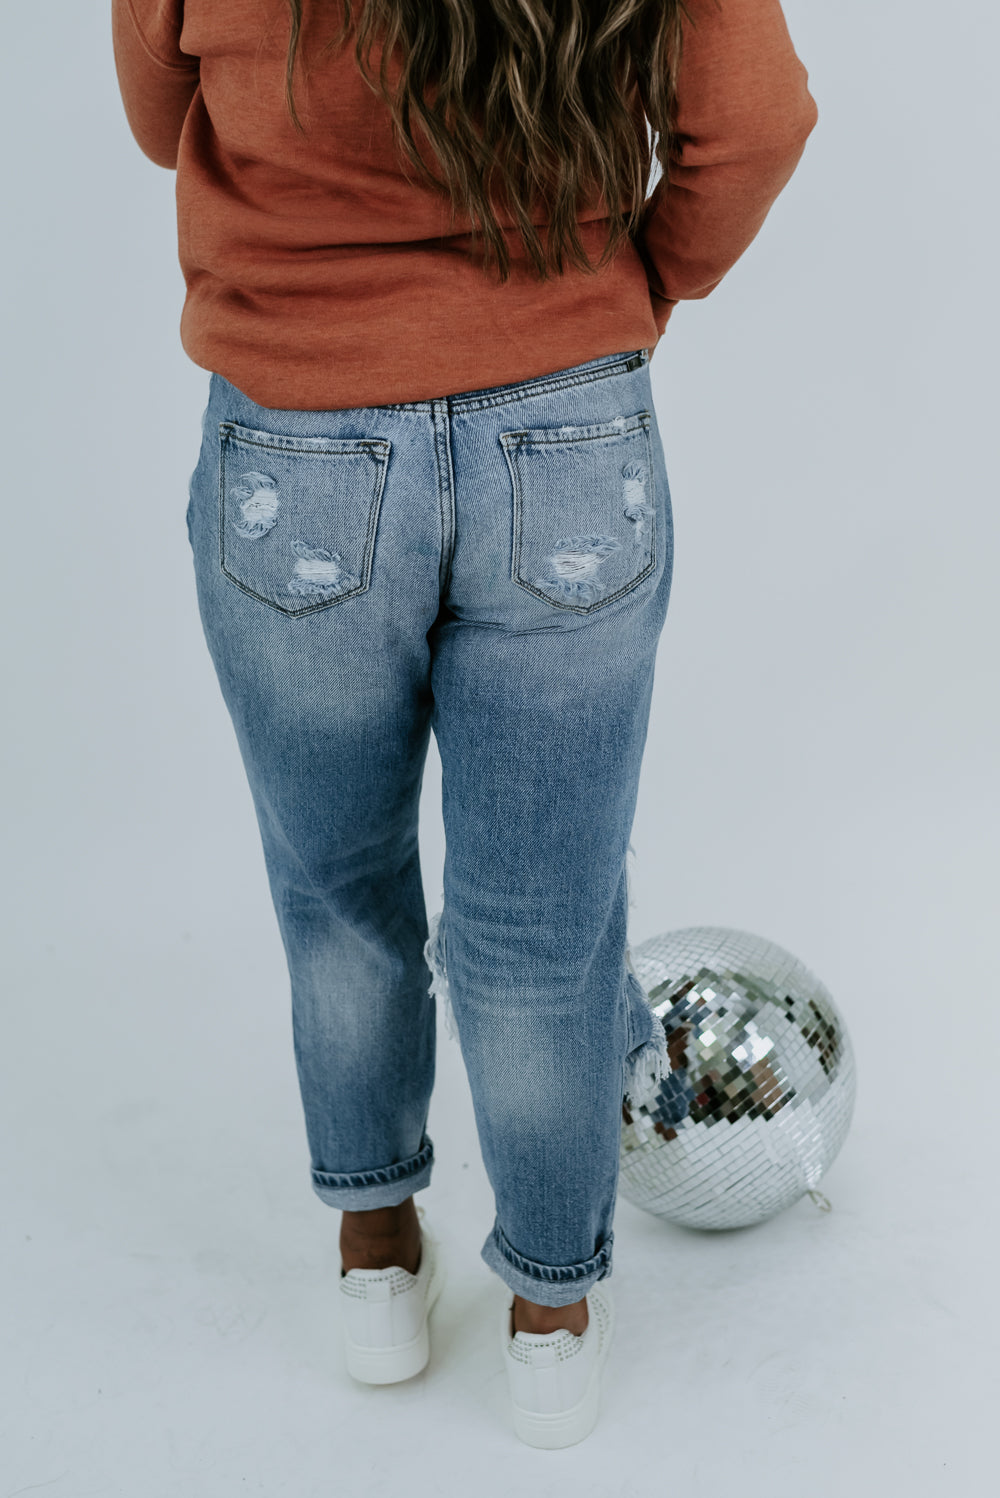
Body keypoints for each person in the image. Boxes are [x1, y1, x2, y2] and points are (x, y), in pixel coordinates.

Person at [112, 0, 817, 1449]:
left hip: (296, 441)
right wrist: (624, 293)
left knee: (336, 888)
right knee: (544, 927)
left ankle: (376, 1267)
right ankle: (552, 1326)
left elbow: (155, 119)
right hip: (567, 432)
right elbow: (753, 123)